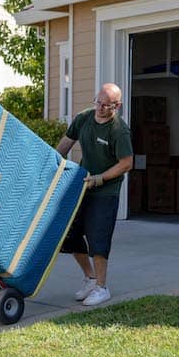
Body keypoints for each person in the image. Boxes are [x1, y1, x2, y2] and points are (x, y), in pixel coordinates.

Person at [56, 83, 133, 306]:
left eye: (105, 105)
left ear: (117, 106)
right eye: (97, 102)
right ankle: (89, 278)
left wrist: (100, 178)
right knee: (70, 234)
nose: (100, 108)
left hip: (106, 191)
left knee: (98, 239)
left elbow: (126, 163)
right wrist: (52, 165)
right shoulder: (84, 118)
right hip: (83, 185)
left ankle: (101, 287)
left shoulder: (119, 130)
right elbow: (64, 145)